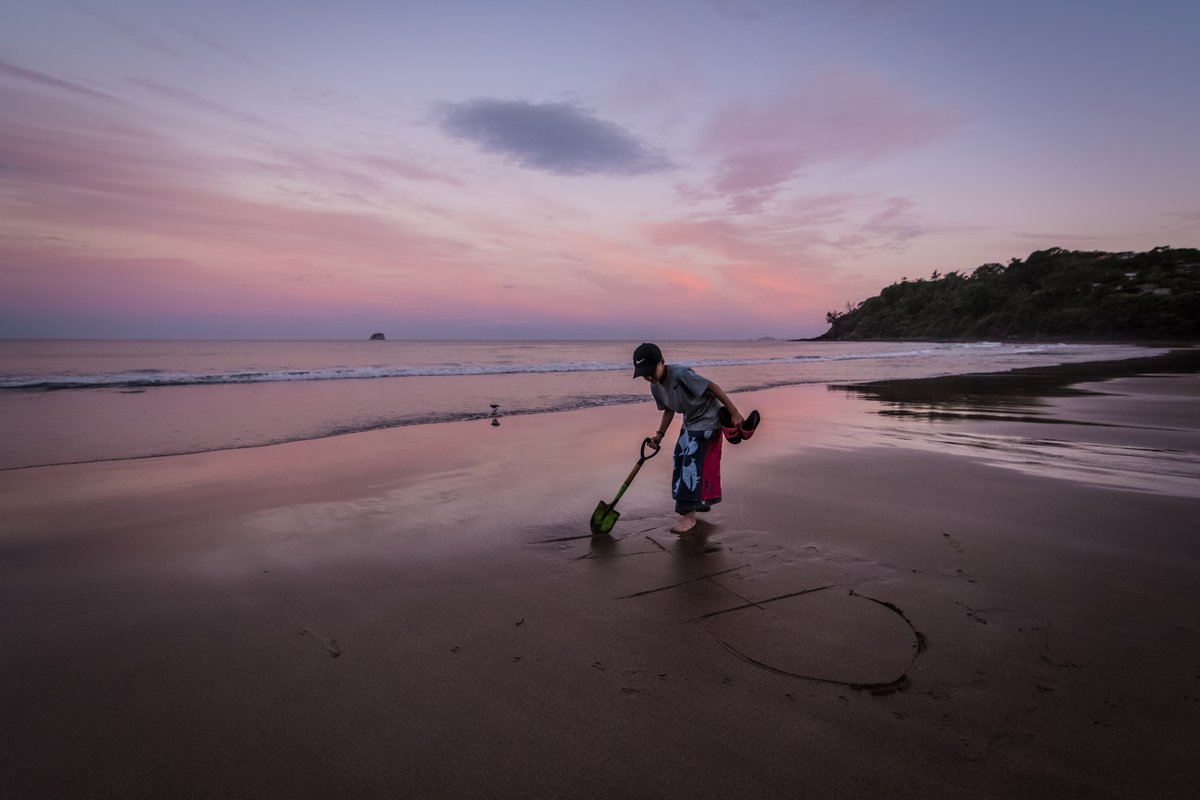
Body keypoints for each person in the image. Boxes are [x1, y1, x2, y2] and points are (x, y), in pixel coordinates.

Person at [632, 342, 760, 534]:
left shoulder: (681, 374)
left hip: (709, 419)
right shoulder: (655, 386)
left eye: (651, 370)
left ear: (662, 362)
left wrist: (734, 411)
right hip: (690, 422)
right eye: (644, 373)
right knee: (679, 459)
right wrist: (659, 435)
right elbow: (668, 409)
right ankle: (700, 501)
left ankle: (688, 516)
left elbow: (712, 387)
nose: (649, 376)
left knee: (691, 465)